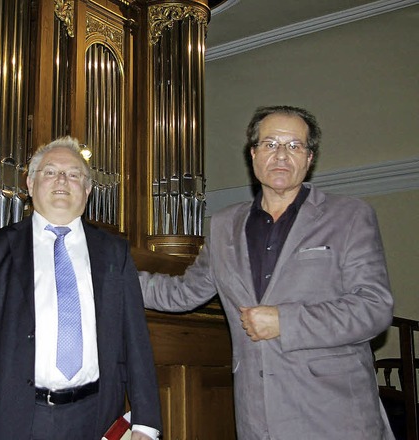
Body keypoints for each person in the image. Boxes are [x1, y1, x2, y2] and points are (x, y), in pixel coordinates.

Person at [139, 105, 395, 440]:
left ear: (309, 158)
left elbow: (373, 308)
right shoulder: (222, 225)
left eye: (294, 146)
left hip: (335, 414)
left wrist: (285, 322)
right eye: (271, 144)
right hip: (258, 416)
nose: (281, 156)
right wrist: (102, 276)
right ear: (253, 154)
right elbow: (182, 293)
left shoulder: (349, 216)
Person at [0, 136, 162, 440]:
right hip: (16, 421)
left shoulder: (114, 253)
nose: (62, 179)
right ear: (29, 183)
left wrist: (146, 421)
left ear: (88, 189)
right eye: (50, 171)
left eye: (74, 174)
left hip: (98, 419)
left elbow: (136, 341)